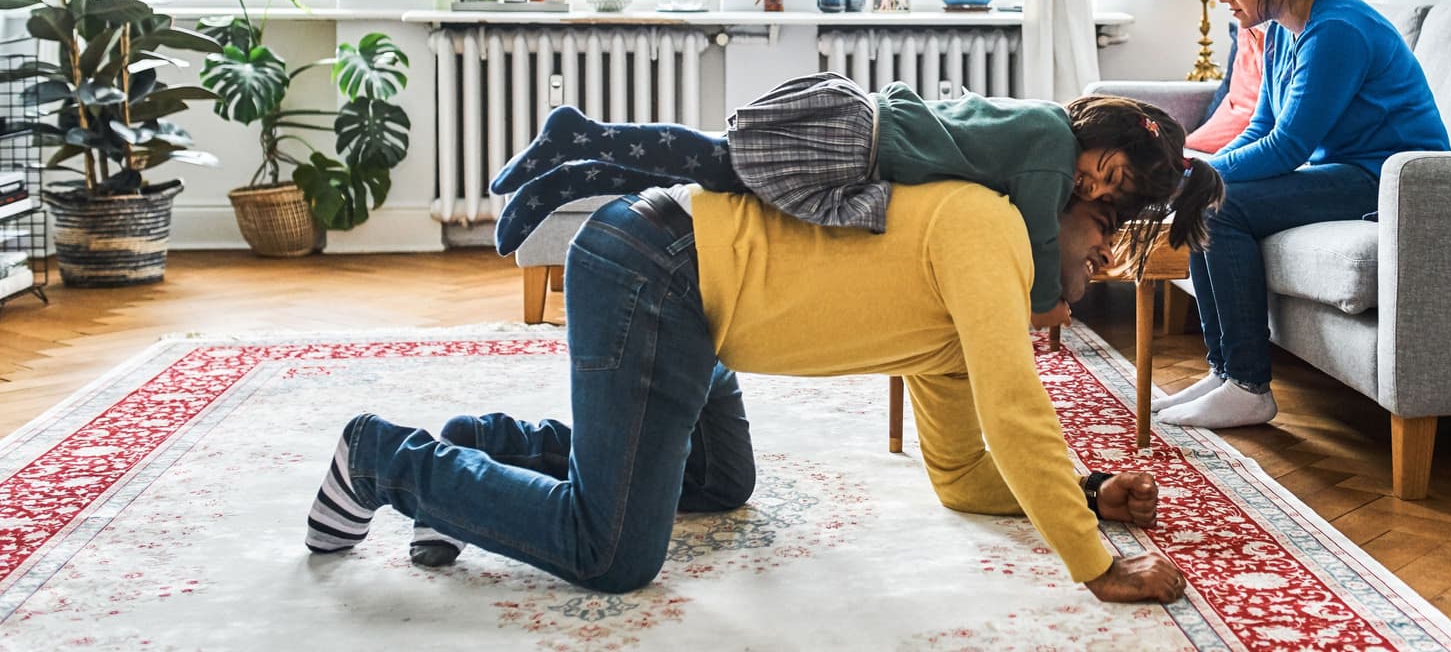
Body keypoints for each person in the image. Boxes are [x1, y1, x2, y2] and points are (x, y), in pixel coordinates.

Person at [305, 184, 1189, 605]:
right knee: (611, 555)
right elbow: (1020, 412)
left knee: (720, 482)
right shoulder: (987, 232)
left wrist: (1083, 493)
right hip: (653, 274)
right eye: (1103, 225)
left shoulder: (966, 305)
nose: (1107, 253)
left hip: (698, 314)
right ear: (1052, 208)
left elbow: (962, 473)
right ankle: (381, 458)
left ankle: (481, 450)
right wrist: (1098, 564)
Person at [488, 77, 1224, 323]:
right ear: (1102, 132)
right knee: (712, 160)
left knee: (712, 174)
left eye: (1111, 195)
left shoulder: (1052, 145)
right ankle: (582, 136)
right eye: (1105, 170)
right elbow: (1036, 234)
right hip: (857, 139)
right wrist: (1043, 303)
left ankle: (571, 179)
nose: (1091, 187)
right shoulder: (1051, 145)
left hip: (862, 149)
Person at [1154, 0, 1448, 430]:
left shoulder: (1336, 30)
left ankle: (1248, 386)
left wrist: (1200, 178)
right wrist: (1198, 173)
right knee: (1208, 197)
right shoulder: (1279, 31)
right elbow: (1261, 128)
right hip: (1348, 170)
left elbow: (1288, 147)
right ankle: (1225, 372)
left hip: (1392, 181)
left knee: (1219, 206)